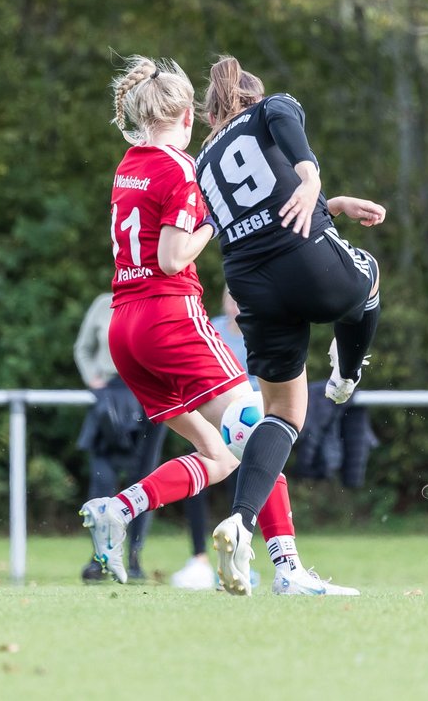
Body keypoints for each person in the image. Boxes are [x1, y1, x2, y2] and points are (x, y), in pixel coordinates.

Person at [80, 54, 357, 596]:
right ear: (187, 117)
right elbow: (172, 255)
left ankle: (119, 508)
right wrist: (207, 219)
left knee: (220, 455)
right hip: (170, 318)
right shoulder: (180, 167)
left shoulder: (128, 164)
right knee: (261, 431)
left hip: (125, 329)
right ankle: (287, 570)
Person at [195, 55, 386, 595]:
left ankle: (240, 522)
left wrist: (330, 204)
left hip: (251, 285)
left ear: (211, 117)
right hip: (302, 260)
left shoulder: (202, 161)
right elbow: (285, 133)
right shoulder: (272, 106)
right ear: (250, 100)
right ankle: (348, 374)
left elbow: (256, 195)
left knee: (283, 411)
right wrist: (310, 176)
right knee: (369, 276)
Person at [73, 291, 166, 582]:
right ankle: (100, 555)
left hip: (148, 394)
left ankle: (134, 555)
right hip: (110, 397)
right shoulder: (104, 303)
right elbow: (83, 348)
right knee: (102, 480)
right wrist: (93, 379)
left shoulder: (159, 300)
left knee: (143, 481)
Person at [171, 286, 252, 591]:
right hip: (209, 422)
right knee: (197, 483)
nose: (234, 303)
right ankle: (198, 557)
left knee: (243, 489)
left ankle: (242, 557)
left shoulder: (259, 332)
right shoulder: (212, 329)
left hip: (245, 429)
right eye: (230, 296)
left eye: (239, 296)